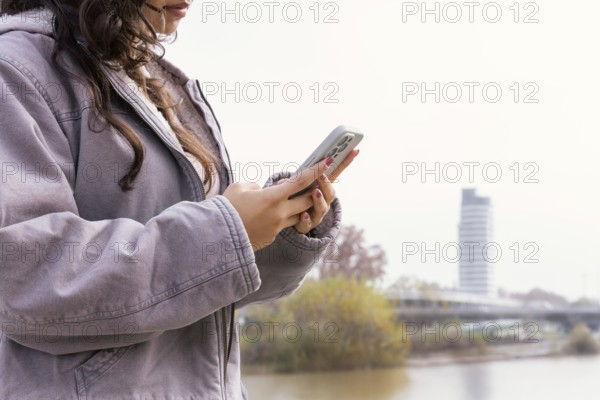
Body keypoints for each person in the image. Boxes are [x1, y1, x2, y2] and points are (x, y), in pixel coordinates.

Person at [0, 0, 359, 399]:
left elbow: (211, 289)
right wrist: (226, 234)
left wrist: (277, 226)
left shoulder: (162, 84)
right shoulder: (14, 69)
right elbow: (23, 279)